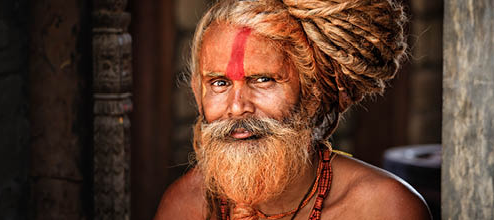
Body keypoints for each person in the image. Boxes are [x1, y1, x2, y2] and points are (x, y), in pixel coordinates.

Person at [155, 0, 431, 219]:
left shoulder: (383, 209)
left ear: (312, 93)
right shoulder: (184, 205)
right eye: (219, 83)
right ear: (197, 91)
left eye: (263, 80)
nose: (237, 107)